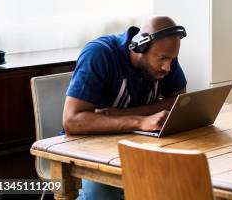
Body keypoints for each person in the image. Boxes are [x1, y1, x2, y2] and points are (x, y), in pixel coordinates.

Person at [63, 16, 187, 200]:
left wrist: (124, 114)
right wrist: (140, 121)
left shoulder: (166, 56)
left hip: (141, 143)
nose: (168, 67)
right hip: (92, 146)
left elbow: (180, 100)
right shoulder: (99, 54)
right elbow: (72, 121)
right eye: (163, 59)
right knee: (102, 196)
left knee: (180, 182)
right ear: (140, 46)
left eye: (172, 59)